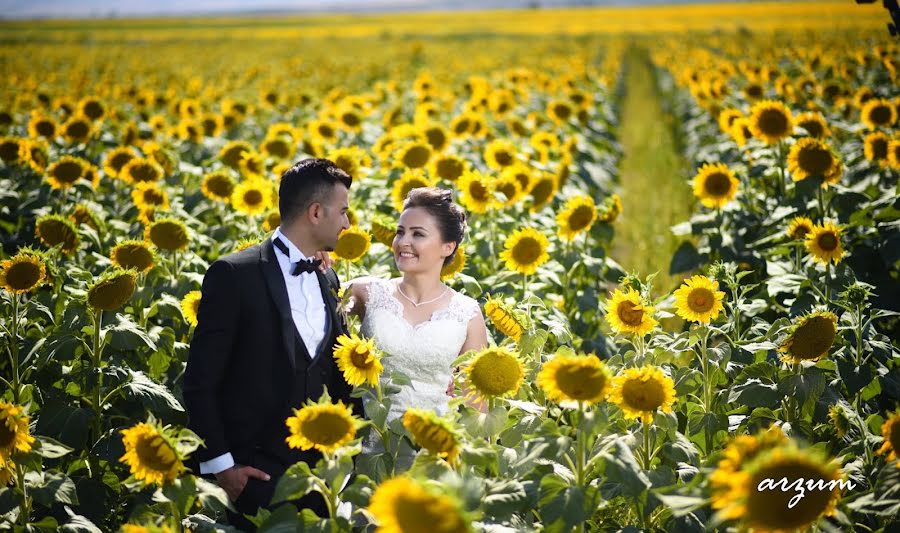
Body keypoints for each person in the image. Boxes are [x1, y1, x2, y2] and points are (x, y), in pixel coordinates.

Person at [183, 158, 363, 531]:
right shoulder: (234, 274)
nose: (347, 223)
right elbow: (200, 381)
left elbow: (332, 365)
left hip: (322, 473)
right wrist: (223, 467)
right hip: (255, 474)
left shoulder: (327, 273)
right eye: (343, 211)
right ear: (316, 212)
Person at [347, 187, 489, 430]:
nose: (403, 242)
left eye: (418, 234)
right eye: (400, 232)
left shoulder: (467, 313)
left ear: (448, 247)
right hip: (371, 445)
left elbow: (476, 410)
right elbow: (305, 302)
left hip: (433, 451)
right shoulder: (366, 292)